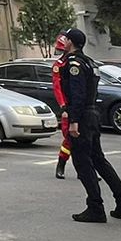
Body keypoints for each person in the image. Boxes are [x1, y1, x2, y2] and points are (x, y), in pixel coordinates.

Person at [58, 29, 121, 224]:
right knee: (99, 160)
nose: (63, 41)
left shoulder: (73, 64)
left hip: (82, 116)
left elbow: (77, 94)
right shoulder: (90, 63)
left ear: (71, 42)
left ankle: (95, 207)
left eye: (66, 39)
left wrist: (73, 120)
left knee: (83, 163)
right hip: (92, 114)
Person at [50, 45, 73, 180]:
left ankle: (87, 168)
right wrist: (63, 107)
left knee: (88, 140)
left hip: (82, 107)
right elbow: (57, 88)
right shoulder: (59, 65)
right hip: (68, 107)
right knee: (69, 139)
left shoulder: (81, 61)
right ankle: (61, 165)